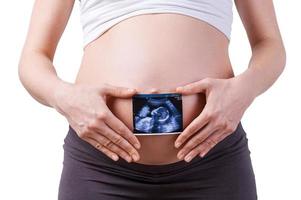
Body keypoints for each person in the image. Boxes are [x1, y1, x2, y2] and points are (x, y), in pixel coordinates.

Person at [18, 0, 286, 199]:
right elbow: (34, 56)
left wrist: (245, 90)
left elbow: (269, 43)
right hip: (101, 167)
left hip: (211, 159)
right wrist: (63, 97)